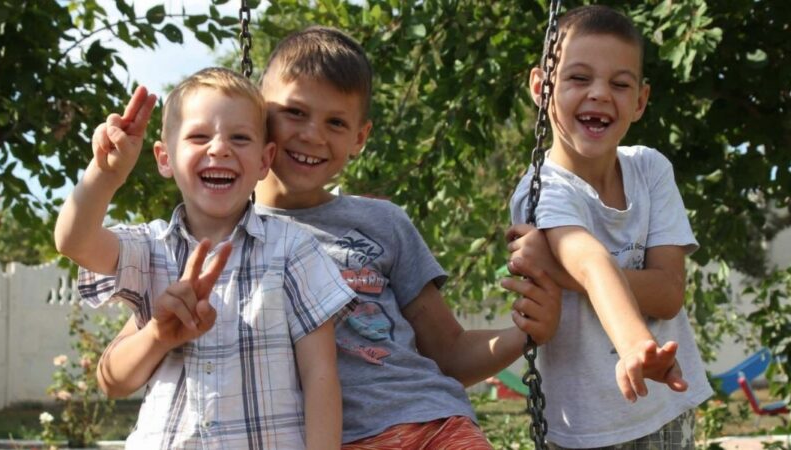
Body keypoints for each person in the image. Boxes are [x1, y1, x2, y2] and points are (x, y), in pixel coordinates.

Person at [101, 26, 563, 449]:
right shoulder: (217, 236)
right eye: (295, 112)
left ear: (360, 138)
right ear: (260, 115)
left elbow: (447, 352)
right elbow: (120, 365)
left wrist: (522, 335)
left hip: (432, 420)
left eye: (336, 123)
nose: (312, 135)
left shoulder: (383, 223)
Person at [54, 67, 356, 449]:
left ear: (265, 161)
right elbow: (72, 241)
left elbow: (321, 377)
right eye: (199, 136)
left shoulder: (293, 250)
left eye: (240, 137)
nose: (219, 148)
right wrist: (105, 174)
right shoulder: (151, 248)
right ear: (165, 158)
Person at [509, 5, 713, 449]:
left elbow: (669, 292)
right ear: (542, 88)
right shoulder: (542, 192)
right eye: (579, 78)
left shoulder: (650, 170)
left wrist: (558, 273)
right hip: (586, 427)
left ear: (639, 101)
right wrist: (636, 343)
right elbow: (589, 259)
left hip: (665, 406)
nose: (600, 94)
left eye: (619, 84)